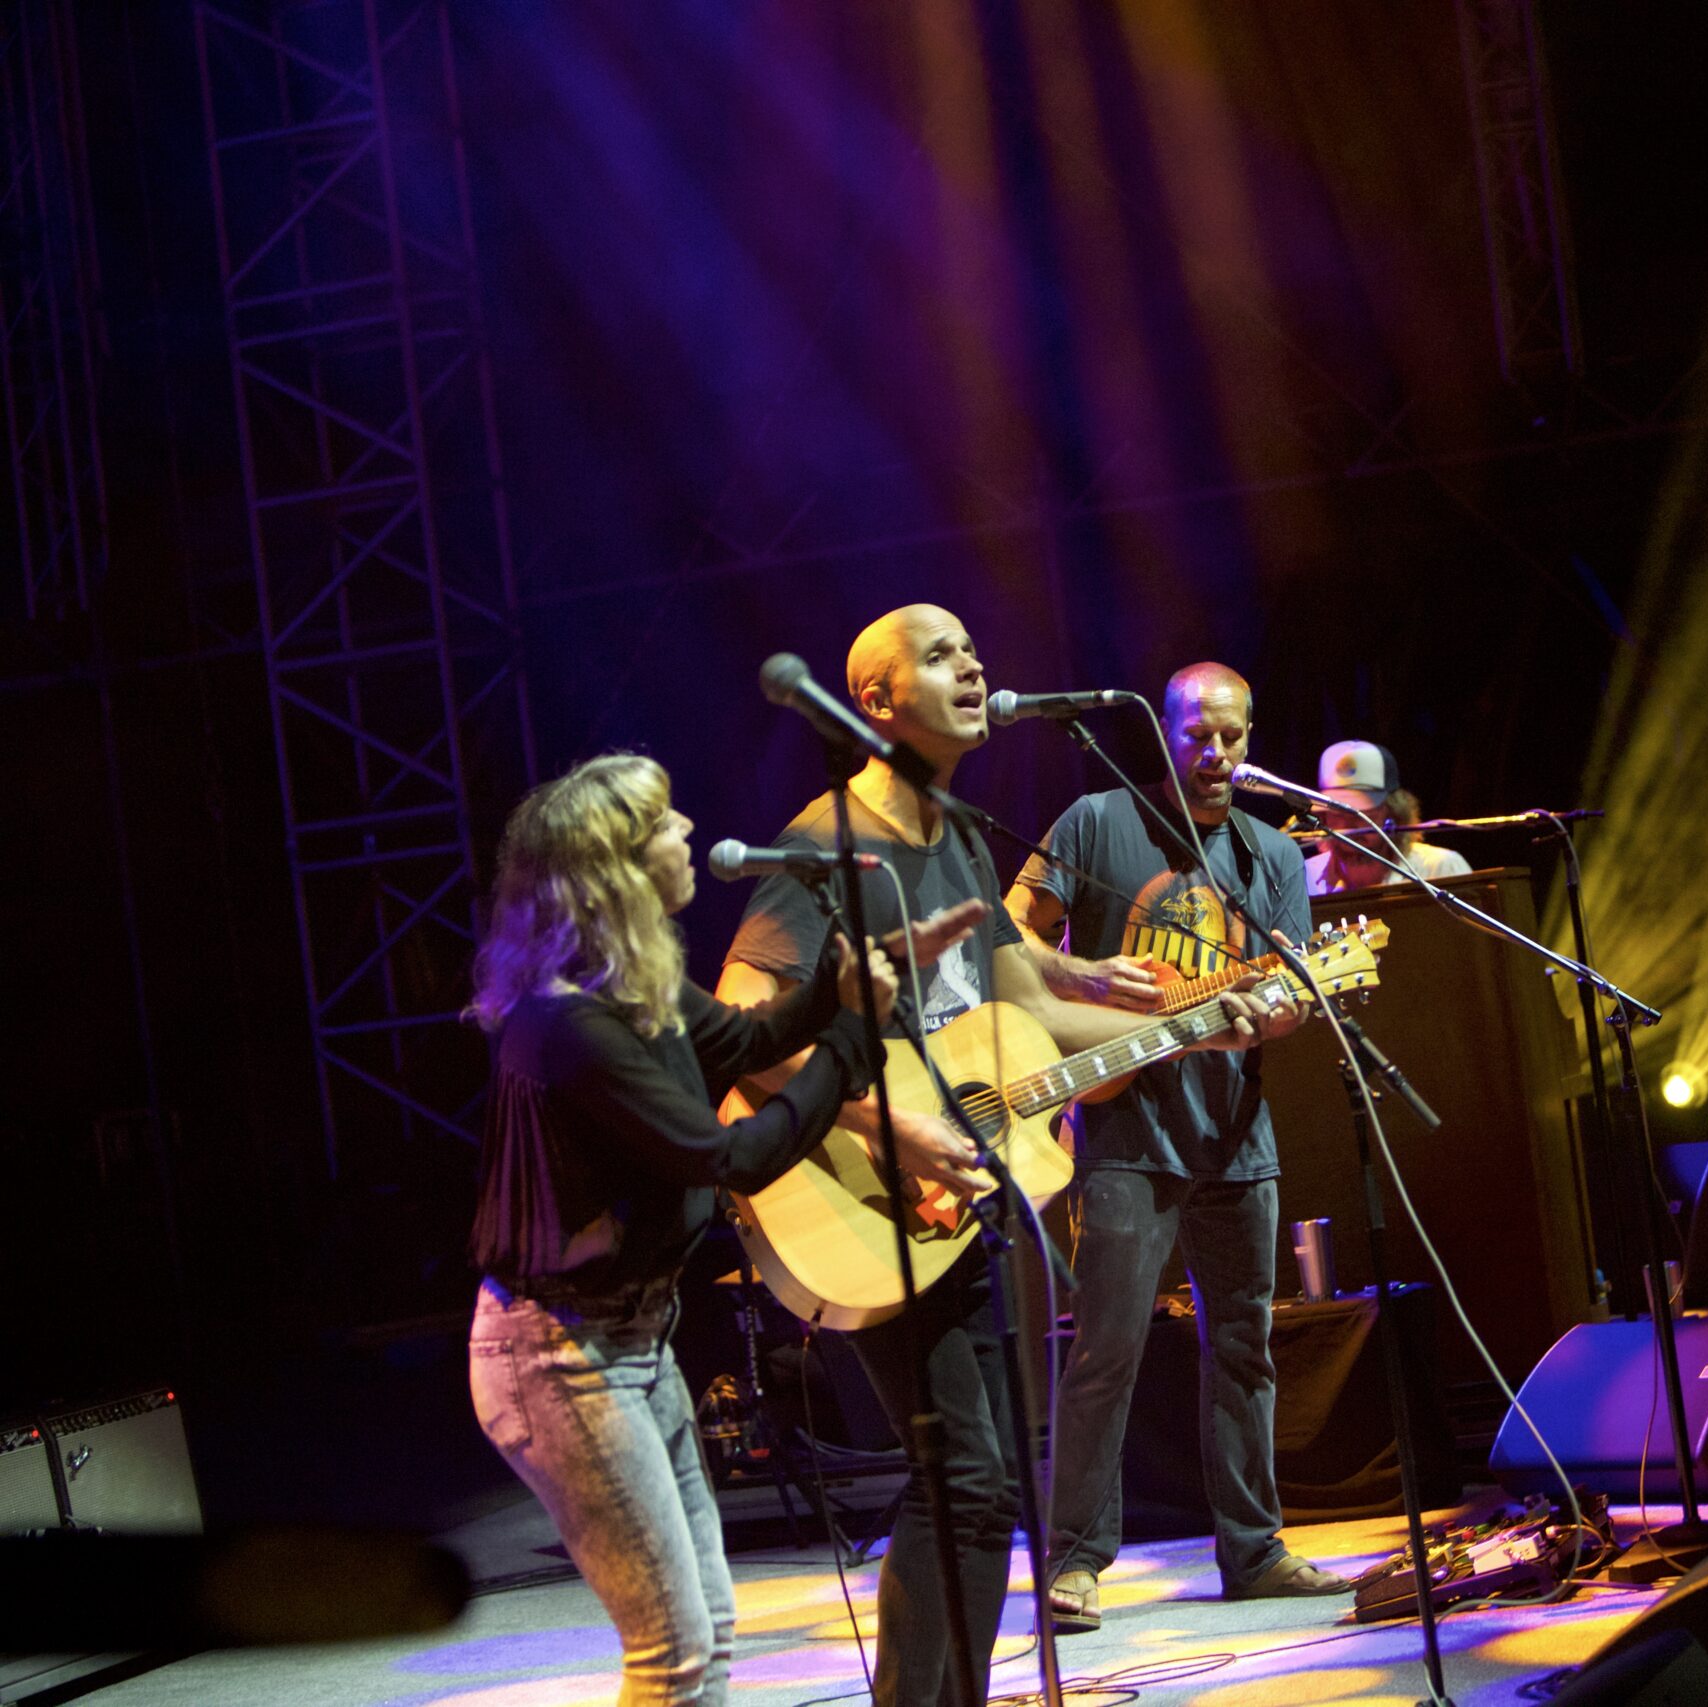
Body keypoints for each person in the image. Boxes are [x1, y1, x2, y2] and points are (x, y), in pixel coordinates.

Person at [714, 607, 1285, 1707]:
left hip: (961, 1201)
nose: (974, 667)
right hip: (870, 1196)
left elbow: (1027, 1006)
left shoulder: (962, 838)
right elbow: (740, 1022)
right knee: (964, 1475)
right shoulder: (835, 842)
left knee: (981, 1489)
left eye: (976, 651)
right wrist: (890, 1127)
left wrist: (1196, 1023)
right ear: (875, 700)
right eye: (941, 656)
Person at [463, 751, 965, 1707]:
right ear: (616, 865)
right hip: (560, 1358)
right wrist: (852, 1036)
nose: (687, 829)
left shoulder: (627, 985)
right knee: (675, 1650)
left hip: (627, 1344)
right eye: (663, 823)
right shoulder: (571, 1026)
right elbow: (728, 1154)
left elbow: (747, 1039)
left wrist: (847, 982)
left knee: (708, 1631)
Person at [1007, 662, 1343, 1635]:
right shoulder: (1094, 822)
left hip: (1235, 1136)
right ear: (1163, 735)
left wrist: (1264, 1020)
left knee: (1244, 1348)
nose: (1218, 753)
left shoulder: (1271, 853)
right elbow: (1007, 935)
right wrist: (1083, 981)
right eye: (1199, 735)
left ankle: (1255, 1550)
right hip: (1123, 1132)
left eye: (1233, 736)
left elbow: (1291, 996)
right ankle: (1074, 1562)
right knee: (1104, 1350)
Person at [1300, 739, 1473, 896]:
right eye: (1337, 814)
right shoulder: (1303, 878)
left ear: (1393, 813)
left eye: (1362, 813)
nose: (1348, 825)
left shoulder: (1441, 868)